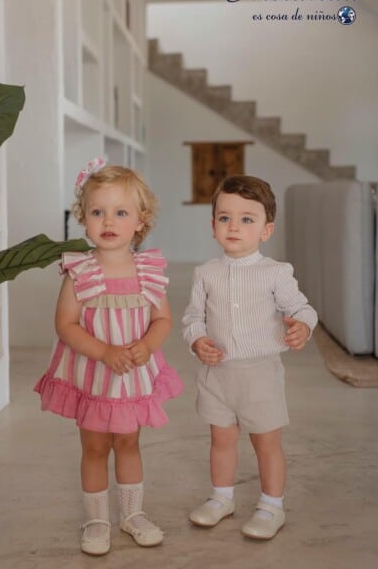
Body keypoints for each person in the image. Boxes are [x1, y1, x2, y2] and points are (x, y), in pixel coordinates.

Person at [34, 158, 183, 556]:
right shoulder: (80, 271)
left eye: (120, 212)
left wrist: (148, 345)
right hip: (94, 377)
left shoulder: (148, 270)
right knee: (96, 447)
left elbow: (163, 319)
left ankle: (132, 514)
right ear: (84, 218)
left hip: (132, 376)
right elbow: (65, 325)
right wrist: (103, 351)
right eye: (97, 212)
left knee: (129, 444)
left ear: (140, 220)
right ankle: (97, 520)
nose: (108, 221)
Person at [182, 174, 317, 540]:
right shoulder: (205, 273)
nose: (234, 227)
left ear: (265, 229)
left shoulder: (275, 273)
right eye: (225, 218)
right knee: (221, 439)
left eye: (246, 219)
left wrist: (303, 327)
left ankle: (272, 505)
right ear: (213, 226)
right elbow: (193, 318)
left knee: (266, 443)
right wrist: (197, 340)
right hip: (217, 374)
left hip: (260, 374)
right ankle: (221, 497)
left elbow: (302, 309)